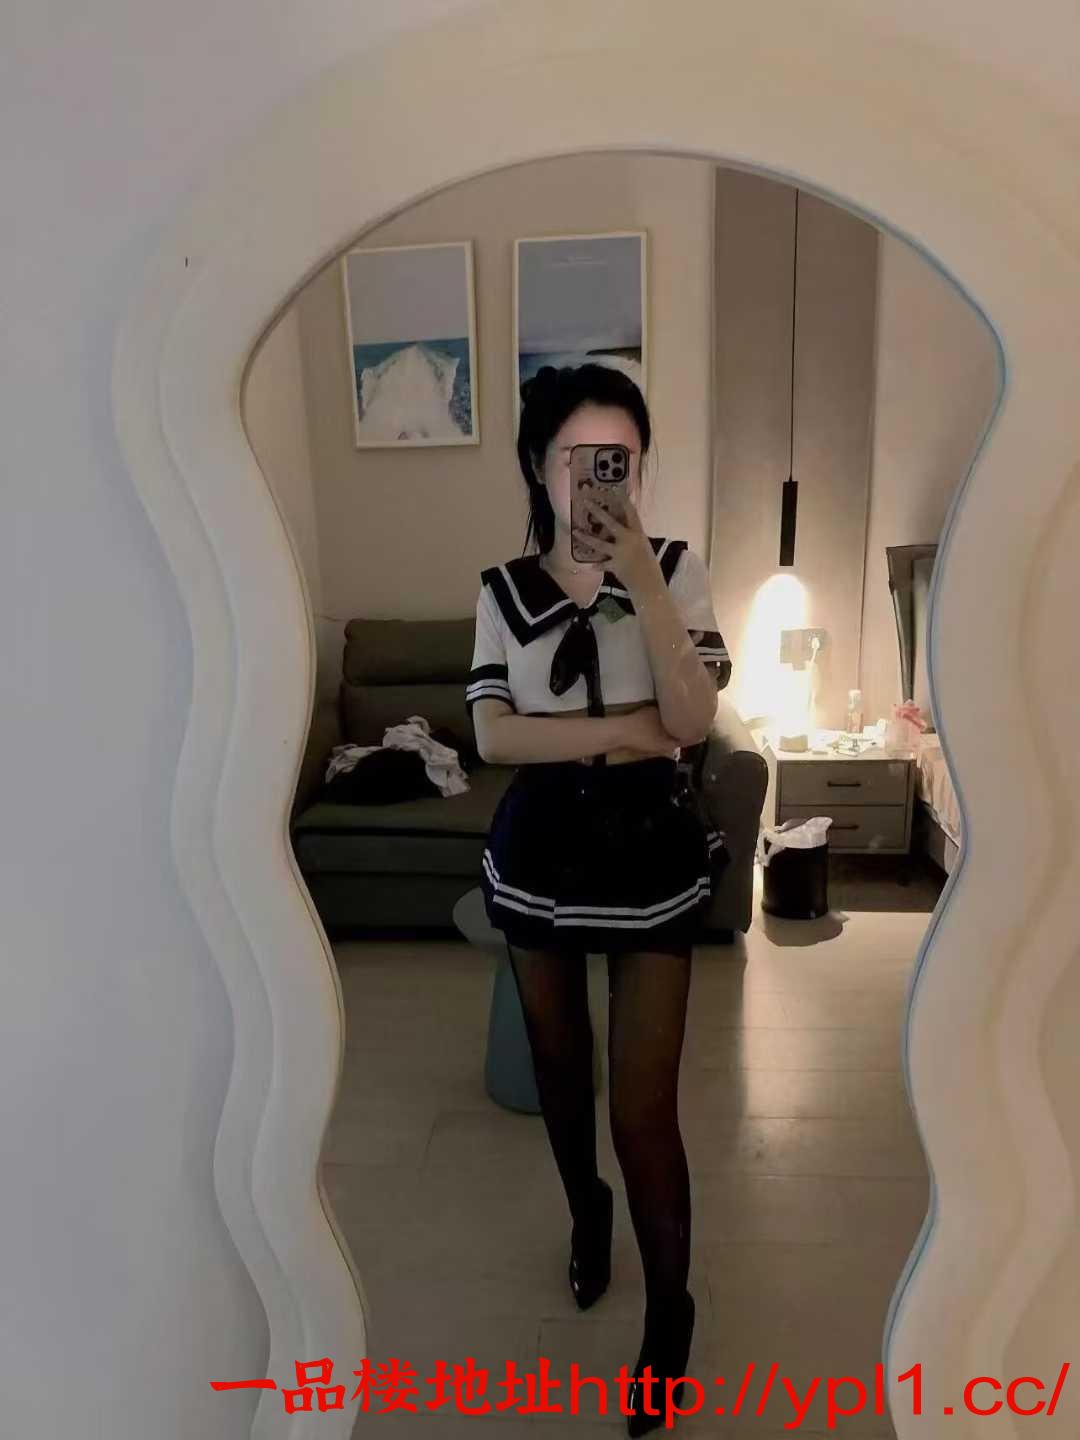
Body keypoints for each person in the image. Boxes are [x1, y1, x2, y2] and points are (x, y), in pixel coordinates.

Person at [465, 363, 732, 1437]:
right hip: (540, 848)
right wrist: (624, 730)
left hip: (651, 854)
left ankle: (670, 1312)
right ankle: (588, 1214)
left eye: (620, 459)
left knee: (643, 1109)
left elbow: (695, 719)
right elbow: (494, 737)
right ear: (540, 466)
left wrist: (644, 585)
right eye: (580, 458)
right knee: (561, 1077)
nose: (600, 480)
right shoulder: (501, 591)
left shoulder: (676, 569)